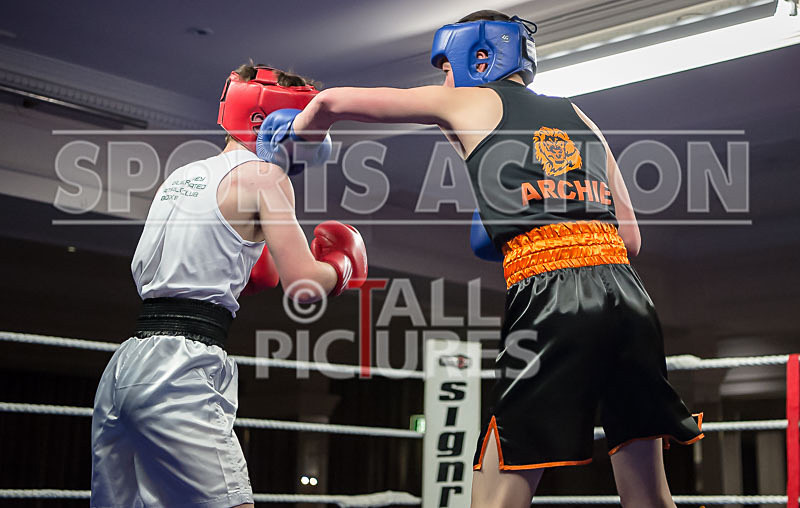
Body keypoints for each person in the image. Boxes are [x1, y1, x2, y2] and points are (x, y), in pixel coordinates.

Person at [257, 10, 703, 508]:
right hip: (628, 298)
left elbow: (333, 100)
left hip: (552, 295)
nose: (443, 77)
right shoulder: (581, 117)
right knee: (648, 494)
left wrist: (299, 131)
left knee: (499, 483)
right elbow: (631, 239)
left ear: (481, 57)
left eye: (447, 64)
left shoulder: (465, 99)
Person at [89, 63, 368, 508]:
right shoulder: (266, 177)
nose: (308, 144)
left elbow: (183, 267)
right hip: (182, 367)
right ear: (265, 122)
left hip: (126, 366)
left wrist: (244, 274)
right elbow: (303, 284)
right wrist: (343, 266)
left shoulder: (182, 177)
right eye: (304, 127)